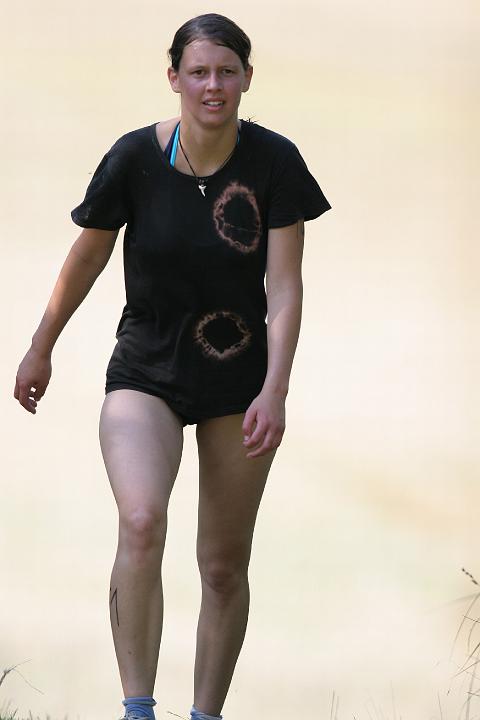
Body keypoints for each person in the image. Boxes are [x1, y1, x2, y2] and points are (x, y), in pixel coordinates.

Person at [13, 12, 332, 720]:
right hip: (146, 370)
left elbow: (284, 287)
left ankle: (205, 714)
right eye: (198, 72)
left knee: (222, 564)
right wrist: (42, 345)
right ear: (174, 78)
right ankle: (138, 709)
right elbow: (87, 255)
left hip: (238, 380)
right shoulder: (133, 158)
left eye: (226, 72)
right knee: (140, 519)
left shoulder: (275, 163)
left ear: (247, 78)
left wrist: (275, 390)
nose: (213, 86)